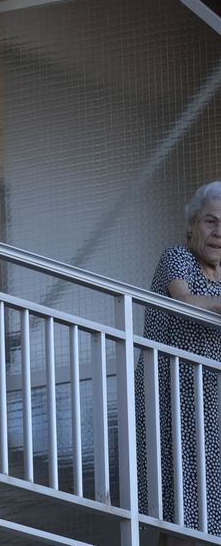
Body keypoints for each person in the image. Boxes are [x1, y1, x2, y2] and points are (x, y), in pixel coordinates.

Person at [141, 181, 221, 544]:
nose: (218, 233)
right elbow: (186, 303)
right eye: (211, 221)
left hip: (212, 401)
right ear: (191, 226)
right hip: (172, 394)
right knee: (173, 488)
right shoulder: (177, 257)